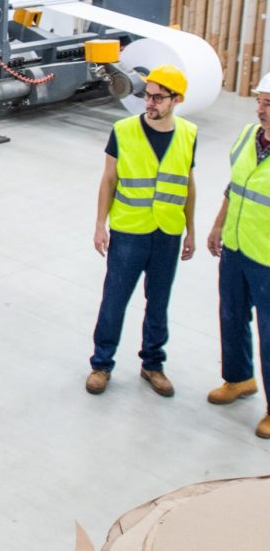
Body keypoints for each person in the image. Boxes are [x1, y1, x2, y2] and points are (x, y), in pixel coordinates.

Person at [86, 65, 197, 396]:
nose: (150, 103)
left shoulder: (188, 133)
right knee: (115, 299)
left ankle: (153, 365)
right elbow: (109, 179)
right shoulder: (122, 130)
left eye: (159, 98)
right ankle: (101, 364)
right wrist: (99, 225)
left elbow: (187, 183)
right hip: (129, 231)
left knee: (159, 302)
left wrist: (191, 230)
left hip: (168, 233)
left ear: (176, 100)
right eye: (148, 96)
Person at [206, 73, 270, 439]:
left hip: (267, 258)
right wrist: (217, 226)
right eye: (259, 102)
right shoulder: (248, 137)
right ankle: (239, 379)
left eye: (269, 104)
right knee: (231, 316)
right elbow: (236, 186)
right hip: (236, 246)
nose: (260, 110)